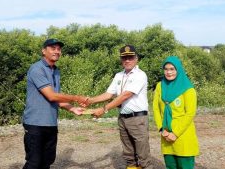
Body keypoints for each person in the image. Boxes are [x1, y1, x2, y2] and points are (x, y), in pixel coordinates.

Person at [22, 38, 89, 169]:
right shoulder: (37, 69)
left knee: (47, 161)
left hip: (51, 123)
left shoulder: (56, 71)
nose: (57, 51)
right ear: (43, 51)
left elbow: (57, 99)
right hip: (35, 124)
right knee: (34, 163)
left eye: (59, 49)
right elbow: (52, 96)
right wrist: (77, 97)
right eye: (53, 48)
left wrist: (72, 109)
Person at [89, 44, 153, 169]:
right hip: (123, 118)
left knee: (142, 154)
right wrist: (89, 101)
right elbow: (109, 94)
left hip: (137, 119)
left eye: (130, 57)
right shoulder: (119, 75)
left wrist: (104, 109)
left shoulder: (140, 75)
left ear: (136, 58)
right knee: (129, 154)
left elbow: (125, 95)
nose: (127, 60)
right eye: (124, 58)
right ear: (121, 59)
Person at [153, 56, 199, 169]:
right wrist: (161, 129)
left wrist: (175, 133)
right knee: (170, 166)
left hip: (182, 136)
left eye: (172, 69)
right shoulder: (160, 86)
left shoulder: (188, 89)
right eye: (166, 69)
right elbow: (156, 109)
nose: (168, 72)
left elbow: (190, 114)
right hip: (166, 136)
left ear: (178, 70)